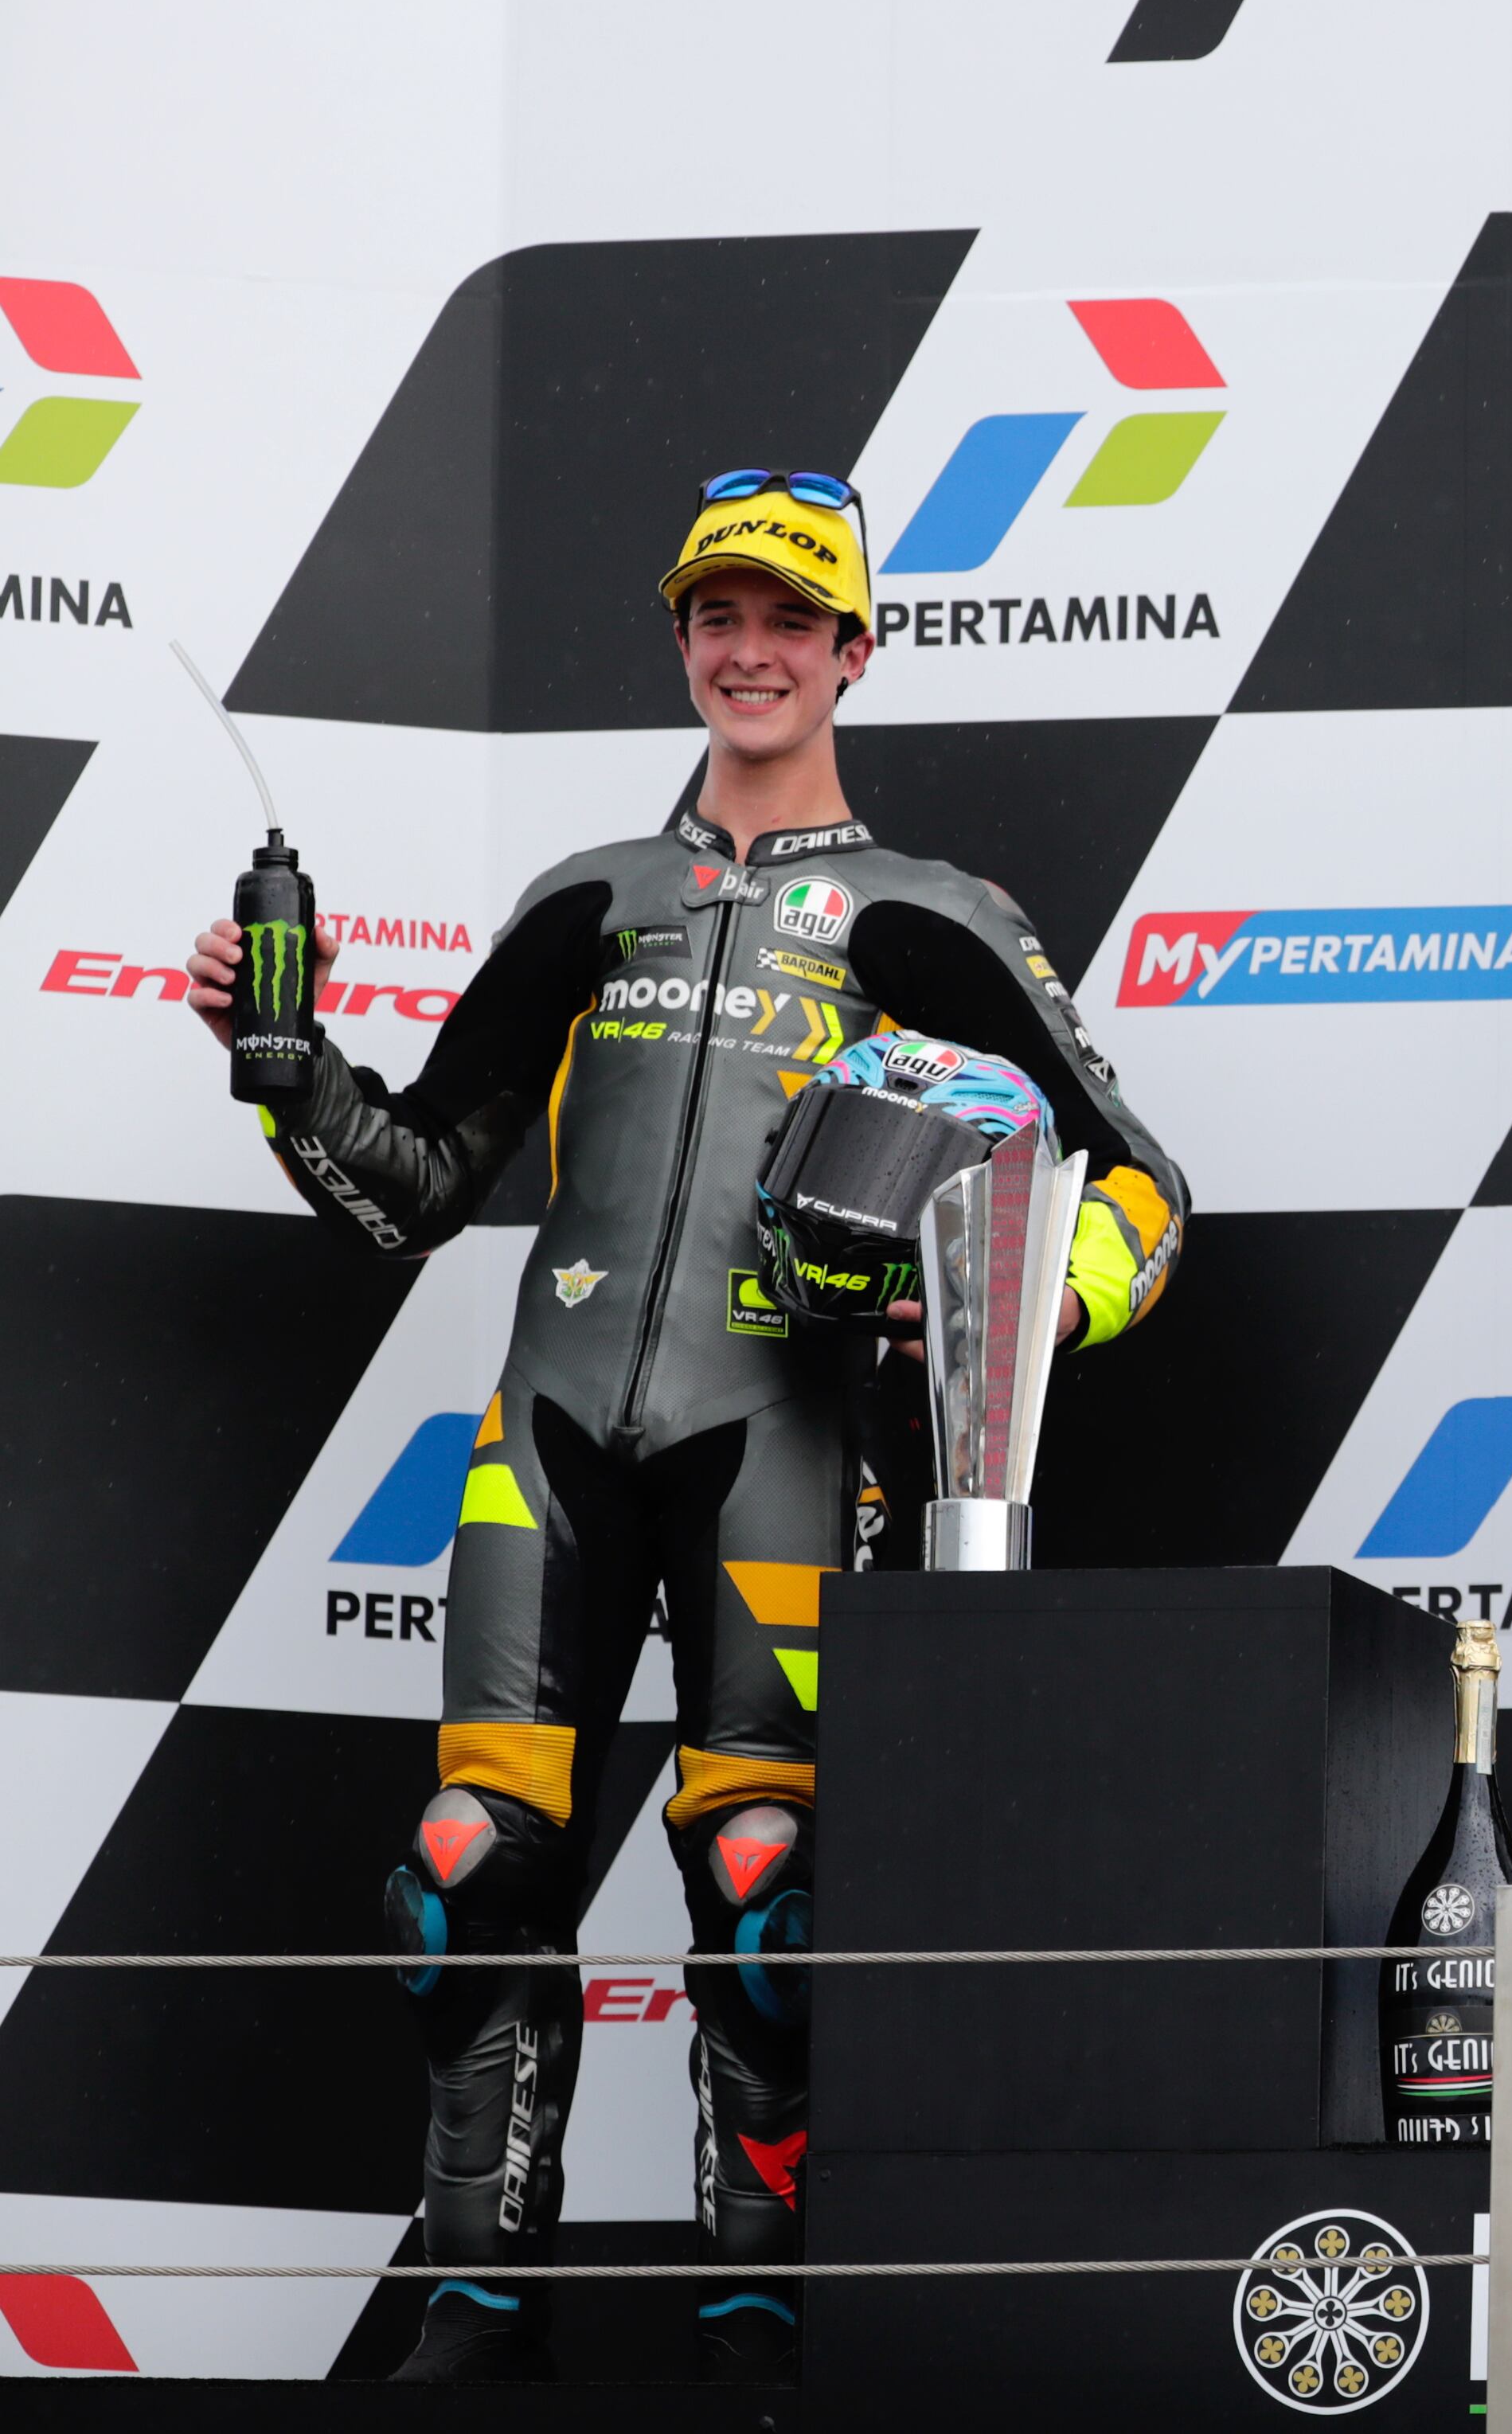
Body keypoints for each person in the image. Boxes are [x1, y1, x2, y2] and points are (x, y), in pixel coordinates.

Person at [186, 473, 1190, 2382]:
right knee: (470, 1859)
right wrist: (289, 1065)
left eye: (791, 622)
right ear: (681, 638)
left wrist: (1013, 1301)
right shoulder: (591, 897)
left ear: (853, 652)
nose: (751, 651)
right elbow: (408, 1187)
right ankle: (478, 2287)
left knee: (764, 1890)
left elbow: (1140, 1188)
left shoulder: (932, 916)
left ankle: (760, 2290)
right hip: (548, 1434)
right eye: (720, 616)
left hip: (787, 1442)